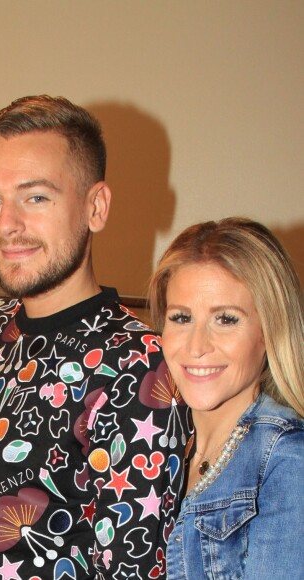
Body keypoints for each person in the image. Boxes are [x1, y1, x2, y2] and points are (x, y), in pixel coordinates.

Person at [0, 95, 190, 579]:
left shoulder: (141, 369)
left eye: (35, 197)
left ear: (96, 207)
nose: (6, 224)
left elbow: (134, 566)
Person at [148, 217, 304, 579]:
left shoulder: (288, 462)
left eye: (226, 320)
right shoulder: (156, 437)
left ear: (269, 331)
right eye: (182, 317)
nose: (197, 346)